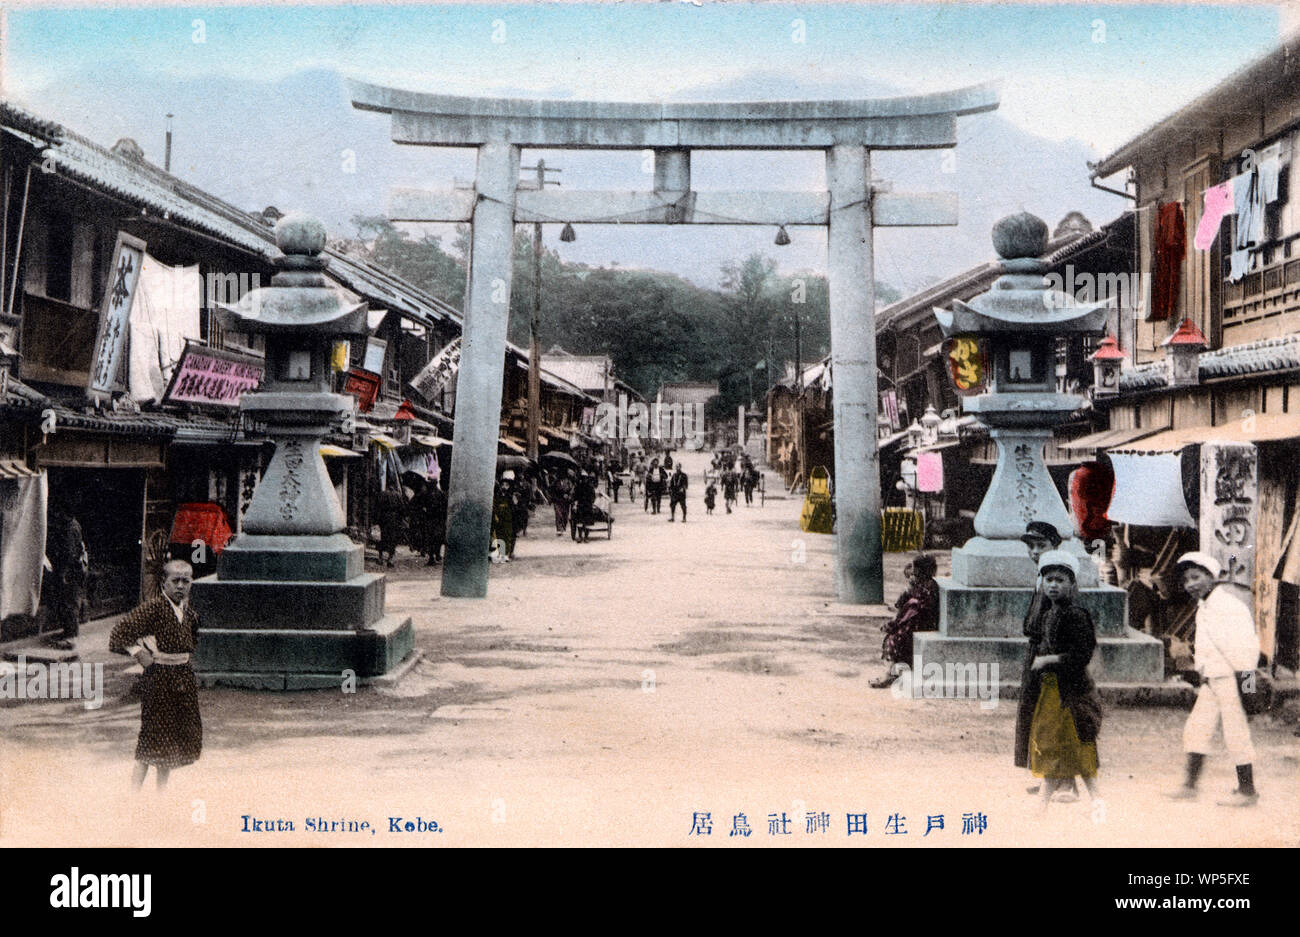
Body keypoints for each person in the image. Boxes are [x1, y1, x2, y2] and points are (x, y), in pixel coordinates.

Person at [1165, 552, 1261, 807]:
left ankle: (1247, 790)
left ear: (1212, 577)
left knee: (1236, 732)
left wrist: (1247, 687)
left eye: (1196, 577)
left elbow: (1247, 649)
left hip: (1233, 678)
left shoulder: (1229, 606)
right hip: (1212, 680)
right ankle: (1189, 785)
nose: (1190, 585)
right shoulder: (1204, 606)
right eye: (1186, 580)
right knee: (1197, 729)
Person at [109, 560, 202, 791]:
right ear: (164, 582)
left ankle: (161, 793)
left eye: (185, 581)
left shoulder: (190, 615)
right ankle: (133, 793)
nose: (180, 586)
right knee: (152, 736)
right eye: (175, 581)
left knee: (172, 739)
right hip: (158, 680)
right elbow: (119, 633)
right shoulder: (153, 608)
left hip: (182, 679)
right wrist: (139, 653)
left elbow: (192, 643)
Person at [1025, 550, 1103, 811]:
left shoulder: (1076, 615)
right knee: (1051, 745)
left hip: (1072, 692)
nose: (1054, 585)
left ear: (1072, 585)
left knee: (1077, 745)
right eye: (1048, 580)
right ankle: (1043, 805)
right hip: (1051, 692)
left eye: (1060, 580)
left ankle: (1096, 801)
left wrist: (1049, 661)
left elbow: (1082, 655)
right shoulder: (1048, 615)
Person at [1013, 521, 1078, 798]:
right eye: (1031, 546)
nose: (1035, 551)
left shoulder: (1060, 584)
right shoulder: (1042, 578)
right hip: (1036, 653)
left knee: (1056, 718)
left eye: (1042, 545)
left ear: (1056, 547)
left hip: (1051, 655)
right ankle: (1046, 778)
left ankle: (1067, 783)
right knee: (1036, 716)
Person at [870, 554, 940, 688]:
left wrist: (893, 624)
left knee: (896, 638)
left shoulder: (927, 588)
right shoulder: (923, 584)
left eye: (915, 569)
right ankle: (894, 673)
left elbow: (911, 610)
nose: (912, 573)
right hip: (917, 621)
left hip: (920, 623)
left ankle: (892, 675)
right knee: (896, 636)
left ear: (920, 571)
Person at [44, 503, 88, 651]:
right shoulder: (73, 525)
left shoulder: (70, 528)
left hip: (72, 572)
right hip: (74, 570)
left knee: (70, 604)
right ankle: (68, 633)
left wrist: (63, 573)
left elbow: (69, 554)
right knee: (68, 603)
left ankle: (71, 637)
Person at [413, 479, 447, 565]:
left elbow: (419, 504)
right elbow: (445, 507)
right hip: (439, 519)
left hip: (430, 519)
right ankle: (437, 555)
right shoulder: (441, 494)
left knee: (430, 538)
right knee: (438, 538)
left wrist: (424, 511)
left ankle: (432, 558)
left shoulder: (427, 494)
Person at [376, 485, 406, 567]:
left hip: (384, 518)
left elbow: (378, 507)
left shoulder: (382, 494)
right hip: (394, 519)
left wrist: (378, 519)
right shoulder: (398, 495)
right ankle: (390, 558)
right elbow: (402, 508)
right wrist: (401, 519)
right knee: (393, 539)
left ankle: (380, 557)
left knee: (383, 537)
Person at [552, 470, 575, 536]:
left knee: (565, 515)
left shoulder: (568, 482)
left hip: (566, 501)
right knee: (558, 514)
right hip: (558, 500)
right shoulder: (555, 482)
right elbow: (552, 491)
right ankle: (559, 529)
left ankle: (564, 526)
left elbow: (571, 490)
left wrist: (568, 495)